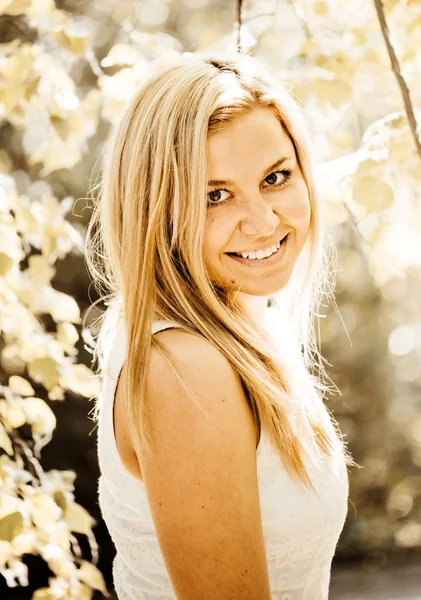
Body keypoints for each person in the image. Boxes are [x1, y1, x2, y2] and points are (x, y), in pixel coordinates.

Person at [85, 51, 355, 599]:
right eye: (215, 195)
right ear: (156, 208)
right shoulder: (185, 367)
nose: (262, 222)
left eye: (276, 177)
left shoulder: (241, 324)